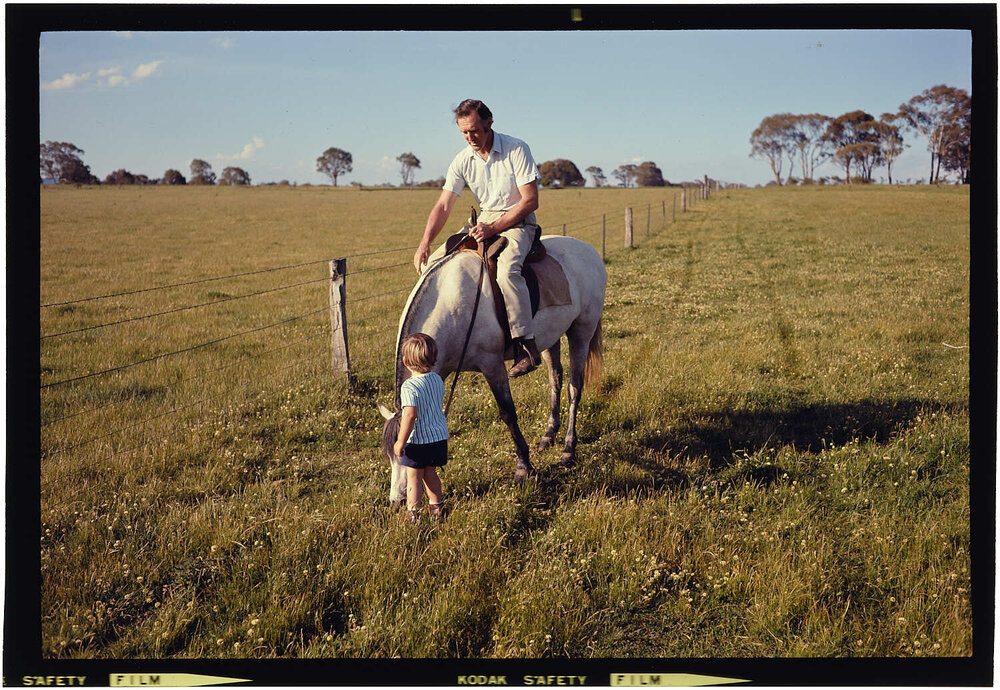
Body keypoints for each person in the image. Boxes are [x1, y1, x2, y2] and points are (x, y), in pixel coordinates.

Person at [413, 99, 542, 377]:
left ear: (488, 122)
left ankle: (526, 345)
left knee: (508, 272)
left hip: (517, 221)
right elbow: (444, 205)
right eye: (464, 133)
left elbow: (530, 200)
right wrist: (425, 243)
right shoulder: (462, 160)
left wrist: (494, 228)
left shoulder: (517, 149)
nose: (470, 137)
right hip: (483, 222)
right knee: (433, 267)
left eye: (474, 130)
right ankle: (436, 341)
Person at [393, 333, 449, 523]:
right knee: (431, 473)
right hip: (438, 437)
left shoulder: (409, 387)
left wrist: (400, 441)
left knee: (414, 477)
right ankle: (437, 508)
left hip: (418, 441)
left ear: (406, 361)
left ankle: (413, 513)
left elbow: (410, 415)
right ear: (434, 357)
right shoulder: (437, 379)